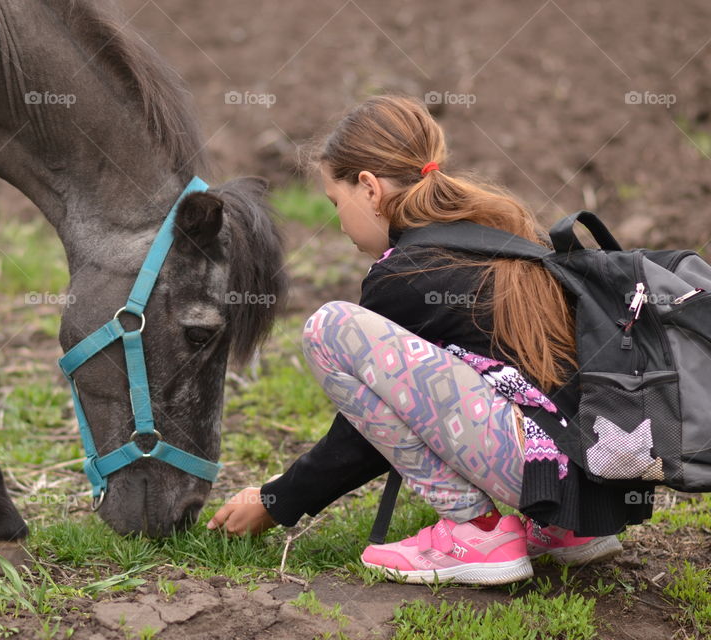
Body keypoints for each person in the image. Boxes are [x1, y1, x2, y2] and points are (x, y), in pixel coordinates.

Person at [206, 94, 653, 586]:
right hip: (602, 474)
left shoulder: (407, 272)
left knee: (329, 328)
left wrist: (276, 500)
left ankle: (475, 530)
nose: (339, 222)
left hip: (552, 463)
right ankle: (565, 528)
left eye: (337, 203)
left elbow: (367, 433)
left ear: (370, 189)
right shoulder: (494, 230)